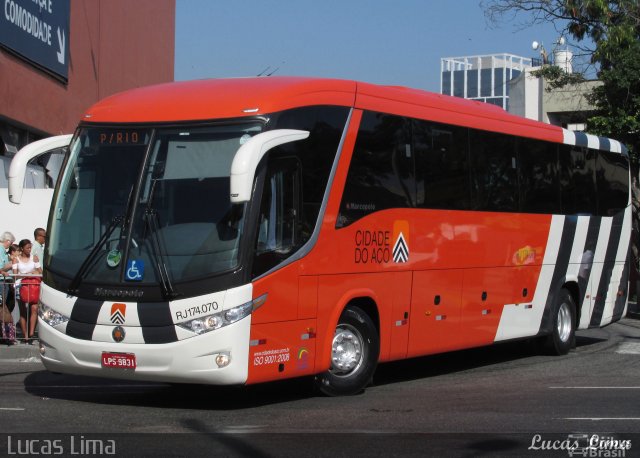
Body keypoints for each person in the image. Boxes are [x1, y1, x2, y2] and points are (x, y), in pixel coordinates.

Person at [13, 239, 42, 342]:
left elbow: (40, 272)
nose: (29, 250)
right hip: (21, 286)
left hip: (33, 286)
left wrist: (35, 273)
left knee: (34, 309)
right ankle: (25, 335)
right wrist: (27, 275)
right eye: (27, 248)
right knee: (23, 311)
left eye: (30, 247)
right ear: (22, 248)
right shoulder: (16, 259)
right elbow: (15, 275)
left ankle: (31, 332)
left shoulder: (34, 258)